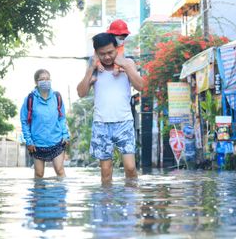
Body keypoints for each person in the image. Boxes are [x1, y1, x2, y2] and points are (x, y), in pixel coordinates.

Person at [77, 32, 144, 185]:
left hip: (124, 122)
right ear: (96, 53)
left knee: (130, 167)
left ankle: (131, 203)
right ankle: (106, 206)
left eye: (110, 52)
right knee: (106, 172)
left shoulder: (127, 63)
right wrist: (90, 70)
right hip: (101, 124)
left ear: (116, 49)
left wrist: (126, 66)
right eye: (102, 54)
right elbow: (81, 93)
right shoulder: (94, 68)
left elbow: (141, 86)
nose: (107, 57)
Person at [20, 69, 70, 178]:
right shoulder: (30, 99)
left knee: (60, 170)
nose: (45, 81)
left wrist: (65, 135)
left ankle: (62, 194)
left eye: (47, 79)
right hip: (37, 144)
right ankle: (39, 195)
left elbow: (62, 118)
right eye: (42, 79)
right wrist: (29, 141)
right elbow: (24, 122)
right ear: (36, 82)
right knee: (39, 174)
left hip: (57, 141)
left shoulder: (57, 97)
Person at [90, 19, 130, 84]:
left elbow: (120, 56)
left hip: (117, 68)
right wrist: (98, 64)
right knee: (92, 61)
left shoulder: (121, 46)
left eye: (123, 39)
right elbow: (96, 55)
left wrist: (117, 68)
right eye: (120, 38)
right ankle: (93, 76)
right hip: (100, 69)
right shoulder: (104, 42)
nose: (121, 41)